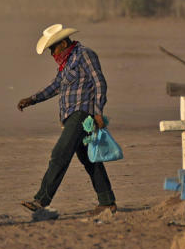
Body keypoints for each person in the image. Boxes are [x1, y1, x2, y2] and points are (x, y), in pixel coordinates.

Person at [17, 24, 117, 217]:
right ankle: (107, 202)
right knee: (90, 159)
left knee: (60, 153)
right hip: (72, 116)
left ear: (63, 43)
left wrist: (97, 112)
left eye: (52, 48)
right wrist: (32, 99)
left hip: (83, 114)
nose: (51, 53)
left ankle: (41, 200)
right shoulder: (67, 63)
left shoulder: (85, 54)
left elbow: (99, 82)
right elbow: (56, 86)